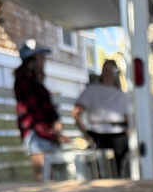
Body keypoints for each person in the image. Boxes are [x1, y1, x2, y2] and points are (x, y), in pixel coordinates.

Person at [14, 40, 69, 182]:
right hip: (36, 133)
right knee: (43, 174)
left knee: (52, 174)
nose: (44, 61)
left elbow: (47, 107)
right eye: (41, 57)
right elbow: (35, 110)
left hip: (45, 132)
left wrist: (55, 124)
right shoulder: (24, 80)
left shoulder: (36, 82)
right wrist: (53, 129)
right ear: (32, 59)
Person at [73, 60, 129, 177]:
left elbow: (127, 118)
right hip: (97, 135)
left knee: (119, 171)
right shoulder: (92, 91)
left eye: (111, 70)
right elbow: (76, 113)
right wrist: (87, 136)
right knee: (99, 172)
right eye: (105, 70)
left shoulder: (121, 94)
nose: (108, 73)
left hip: (118, 135)